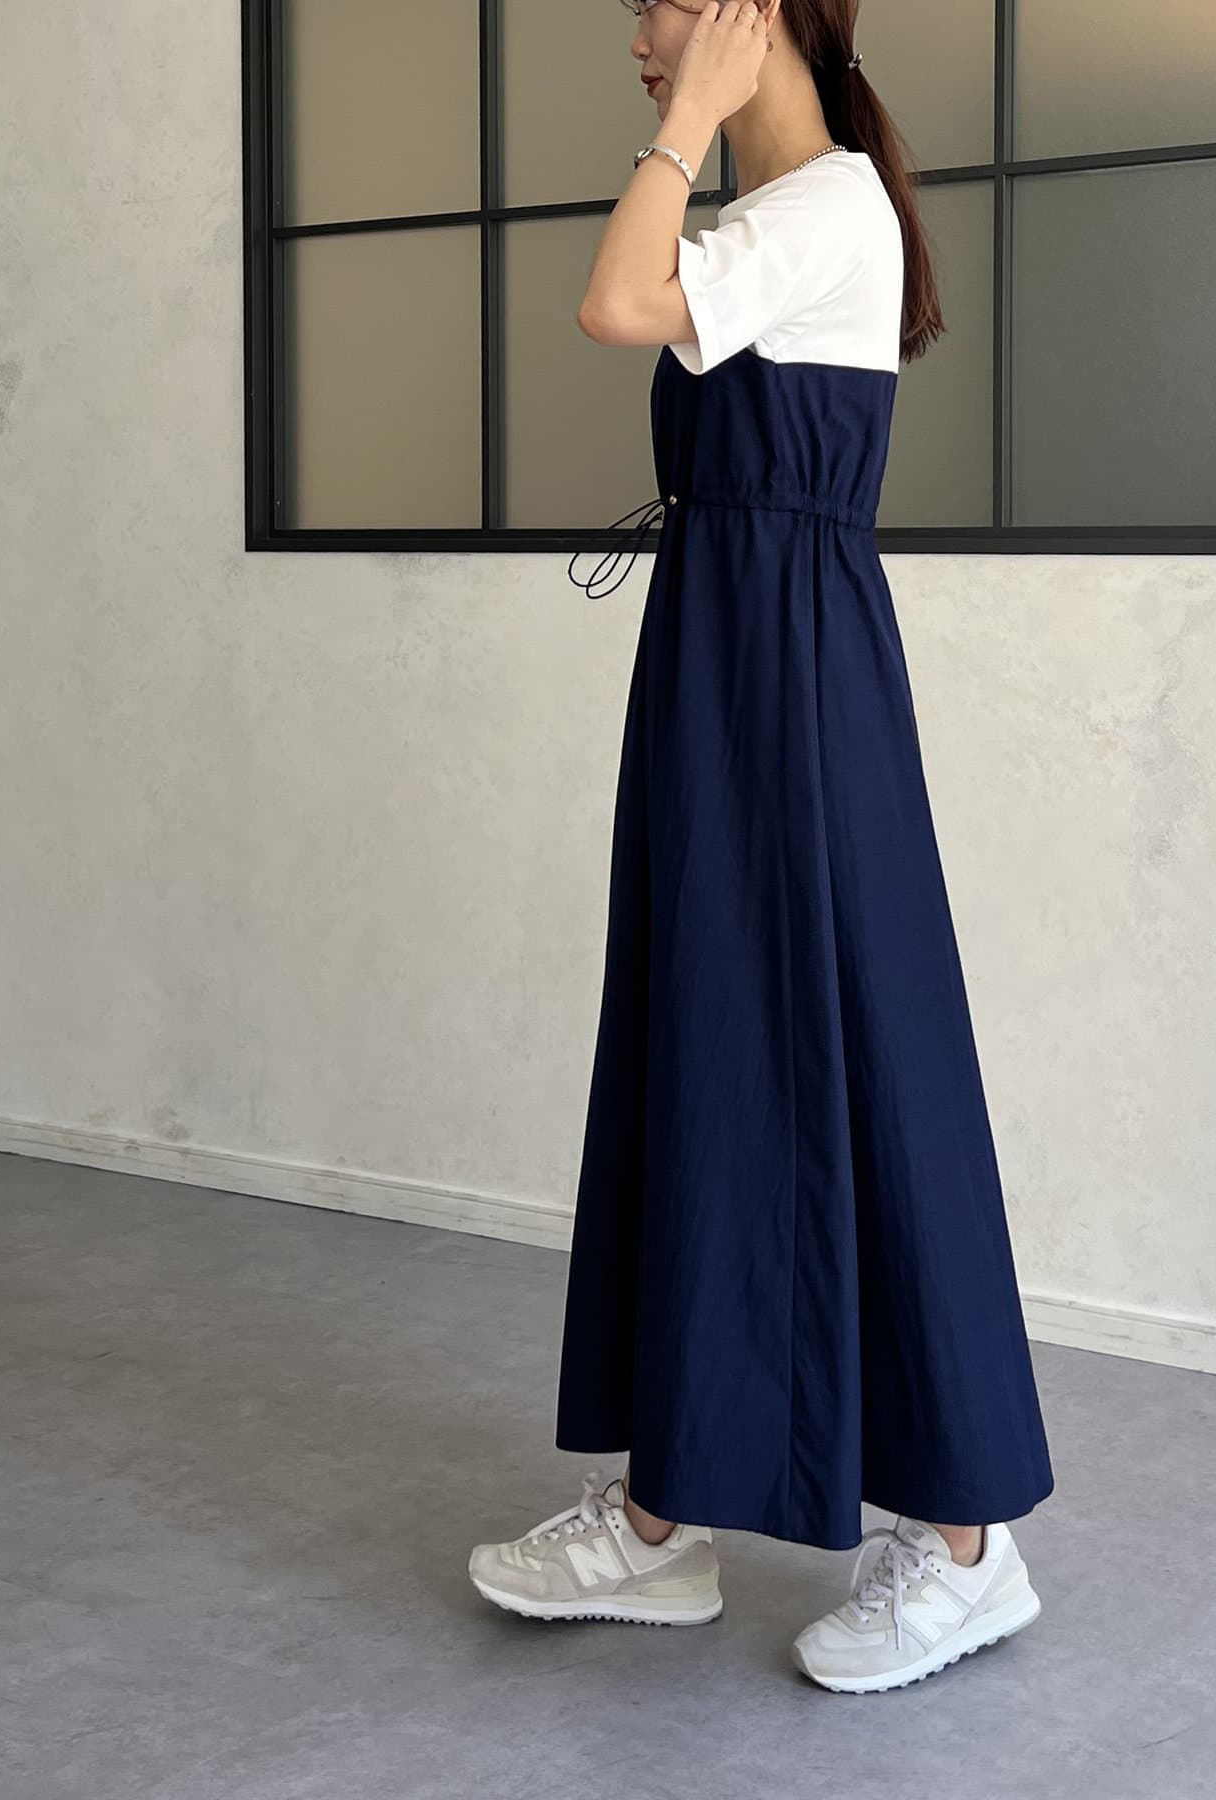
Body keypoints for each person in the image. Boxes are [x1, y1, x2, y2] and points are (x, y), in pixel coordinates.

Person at [468, 0, 1054, 1695]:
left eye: (660, 3)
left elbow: (613, 303)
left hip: (792, 676)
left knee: (868, 1053)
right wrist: (699, 123)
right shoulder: (776, 216)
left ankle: (969, 1547)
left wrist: (689, 116)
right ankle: (666, 1515)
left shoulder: (828, 210)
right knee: (707, 1045)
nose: (635, 38)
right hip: (724, 664)